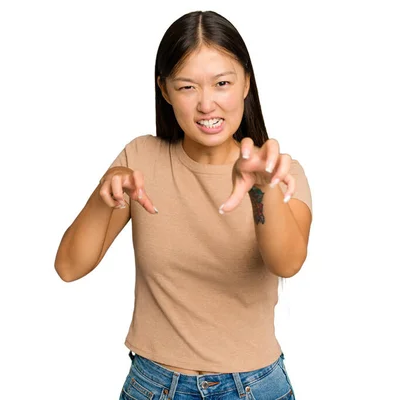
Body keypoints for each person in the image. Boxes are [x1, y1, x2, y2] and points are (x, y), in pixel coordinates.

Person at [54, 10, 312, 399]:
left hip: (254, 387)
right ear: (164, 90)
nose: (207, 104)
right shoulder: (140, 158)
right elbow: (69, 267)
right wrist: (103, 194)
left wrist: (262, 189)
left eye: (222, 83)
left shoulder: (277, 170)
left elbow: (287, 263)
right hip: (154, 385)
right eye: (188, 87)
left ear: (246, 83)